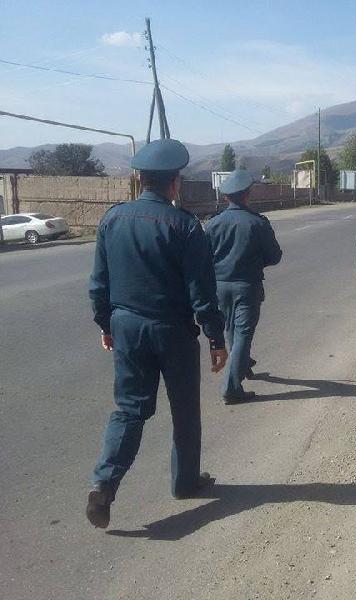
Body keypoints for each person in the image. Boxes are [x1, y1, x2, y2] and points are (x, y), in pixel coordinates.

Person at [86, 139, 228, 529]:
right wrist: (216, 340)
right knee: (184, 410)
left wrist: (106, 325)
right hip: (173, 333)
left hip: (127, 327)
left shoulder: (112, 219)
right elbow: (202, 293)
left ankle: (104, 483)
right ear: (175, 183)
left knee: (130, 409)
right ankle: (184, 483)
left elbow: (98, 284)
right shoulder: (184, 226)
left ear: (139, 179)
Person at [205, 170, 282, 404]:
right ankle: (231, 387)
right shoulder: (258, 223)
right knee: (243, 335)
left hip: (219, 286)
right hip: (246, 286)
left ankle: (243, 363)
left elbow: (204, 258)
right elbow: (274, 256)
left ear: (227, 197)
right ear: (247, 195)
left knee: (230, 329)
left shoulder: (213, 224)